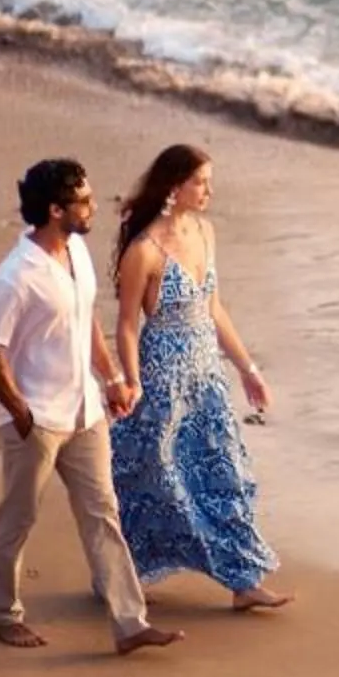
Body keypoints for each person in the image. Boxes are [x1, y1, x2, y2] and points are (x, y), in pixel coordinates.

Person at [0, 157, 183, 654]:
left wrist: (110, 377)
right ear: (53, 209)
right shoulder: (14, 278)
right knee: (19, 517)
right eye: (83, 201)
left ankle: (130, 623)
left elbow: (86, 318)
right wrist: (20, 412)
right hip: (37, 420)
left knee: (102, 513)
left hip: (85, 411)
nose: (93, 207)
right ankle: (4, 616)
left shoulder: (78, 251)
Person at [111, 143, 290, 611]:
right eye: (200, 182)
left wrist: (248, 369)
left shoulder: (206, 232)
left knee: (223, 469)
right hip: (162, 375)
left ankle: (243, 582)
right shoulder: (144, 250)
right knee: (159, 479)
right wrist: (130, 381)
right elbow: (127, 324)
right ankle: (121, 573)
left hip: (205, 373)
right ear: (175, 187)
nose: (209, 190)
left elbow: (214, 309)